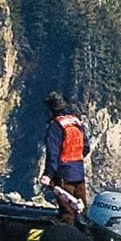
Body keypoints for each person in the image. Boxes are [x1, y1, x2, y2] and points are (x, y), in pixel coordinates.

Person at [42, 94, 91, 222]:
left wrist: (48, 175)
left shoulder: (56, 126)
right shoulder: (76, 122)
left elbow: (53, 154)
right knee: (82, 211)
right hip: (79, 174)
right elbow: (86, 147)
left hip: (64, 176)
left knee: (67, 213)